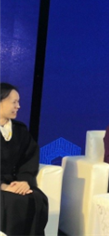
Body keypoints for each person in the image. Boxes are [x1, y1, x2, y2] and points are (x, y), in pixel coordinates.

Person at [0, 83, 48, 236]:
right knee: (11, 202)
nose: (18, 106)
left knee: (36, 198)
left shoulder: (20, 130)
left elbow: (29, 159)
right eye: (14, 102)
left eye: (18, 102)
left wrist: (24, 181)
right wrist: (3, 186)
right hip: (2, 186)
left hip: (16, 182)